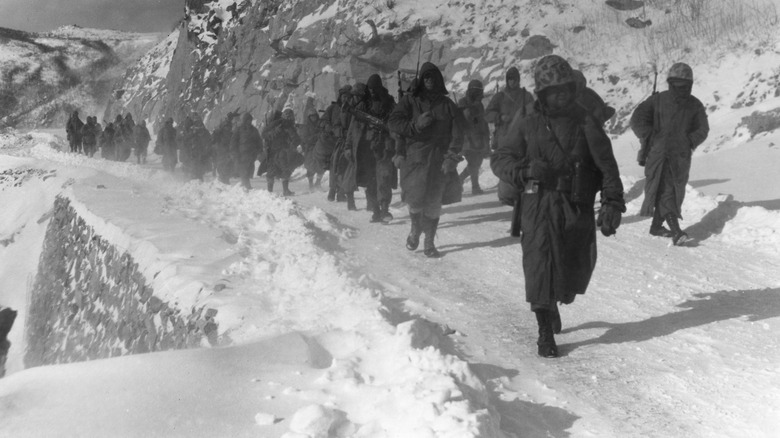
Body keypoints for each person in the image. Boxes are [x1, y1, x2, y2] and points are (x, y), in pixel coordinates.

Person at [490, 55, 625, 358]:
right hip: (536, 202)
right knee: (539, 264)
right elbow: (500, 158)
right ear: (542, 93)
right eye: (553, 91)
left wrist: (612, 202)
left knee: (571, 269)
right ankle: (544, 330)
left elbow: (607, 166)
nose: (560, 96)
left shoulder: (585, 120)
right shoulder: (527, 120)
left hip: (573, 205)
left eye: (564, 89)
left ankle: (554, 301)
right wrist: (525, 172)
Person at [388, 62, 464, 257]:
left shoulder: (447, 105)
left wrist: (452, 156)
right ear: (422, 80)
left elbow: (458, 133)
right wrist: (415, 125)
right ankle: (415, 230)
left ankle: (429, 242)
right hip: (415, 160)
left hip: (440, 161)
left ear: (438, 79)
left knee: (433, 203)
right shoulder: (410, 101)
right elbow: (394, 122)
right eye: (426, 77)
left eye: (433, 77)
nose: (430, 80)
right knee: (415, 200)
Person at [630, 62, 709, 245]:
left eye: (684, 85)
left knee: (672, 191)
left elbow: (703, 129)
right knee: (666, 191)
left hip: (680, 158)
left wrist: (688, 141)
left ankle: (656, 227)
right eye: (677, 84)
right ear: (670, 83)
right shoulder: (657, 100)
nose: (681, 88)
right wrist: (650, 136)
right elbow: (638, 120)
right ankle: (676, 231)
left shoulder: (695, 105)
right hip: (658, 155)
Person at [343, 74, 397, 222]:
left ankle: (385, 209)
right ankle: (375, 210)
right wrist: (348, 146)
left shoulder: (389, 103)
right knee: (369, 181)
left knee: (384, 178)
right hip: (365, 149)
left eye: (375, 88)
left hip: (384, 147)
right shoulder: (362, 105)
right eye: (370, 88)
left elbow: (397, 123)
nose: (372, 91)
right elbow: (353, 127)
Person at [457, 79, 491, 195]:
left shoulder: (479, 104)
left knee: (477, 163)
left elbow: (483, 122)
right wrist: (475, 105)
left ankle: (460, 180)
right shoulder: (463, 102)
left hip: (479, 140)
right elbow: (467, 116)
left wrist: (487, 141)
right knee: (473, 163)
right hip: (467, 139)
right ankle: (475, 187)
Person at [322, 85, 352, 202]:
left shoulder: (352, 110)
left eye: (348, 97)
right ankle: (332, 190)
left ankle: (340, 192)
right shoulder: (333, 108)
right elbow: (322, 122)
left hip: (346, 141)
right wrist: (331, 129)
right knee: (334, 166)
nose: (346, 99)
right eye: (344, 96)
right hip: (332, 142)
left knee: (343, 167)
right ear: (340, 97)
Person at [262, 109, 302, 196]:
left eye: (290, 116)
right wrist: (274, 132)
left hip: (284, 150)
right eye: (288, 116)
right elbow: (264, 134)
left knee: (285, 169)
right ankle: (270, 191)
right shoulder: (276, 124)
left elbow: (295, 138)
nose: (289, 118)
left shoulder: (290, 126)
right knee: (272, 170)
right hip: (273, 150)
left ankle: (285, 190)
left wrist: (295, 143)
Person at [231, 112, 263, 189]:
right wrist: (235, 154)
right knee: (243, 171)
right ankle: (247, 186)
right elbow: (233, 143)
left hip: (251, 155)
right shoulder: (238, 130)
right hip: (241, 155)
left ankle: (243, 186)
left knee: (249, 171)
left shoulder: (254, 130)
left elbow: (258, 141)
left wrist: (259, 150)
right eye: (247, 120)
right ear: (244, 120)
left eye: (250, 120)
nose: (249, 122)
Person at [299, 107, 324, 191]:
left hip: (320, 148)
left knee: (321, 165)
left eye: (314, 116)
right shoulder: (306, 127)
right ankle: (310, 184)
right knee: (310, 166)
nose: (313, 118)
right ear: (309, 117)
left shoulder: (321, 124)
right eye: (311, 116)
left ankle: (318, 182)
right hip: (310, 148)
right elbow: (305, 139)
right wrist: (315, 137)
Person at [213, 112, 238, 184]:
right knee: (224, 163)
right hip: (223, 147)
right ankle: (223, 179)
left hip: (226, 147)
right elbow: (225, 136)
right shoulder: (225, 125)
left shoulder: (226, 124)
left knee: (227, 163)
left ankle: (225, 179)